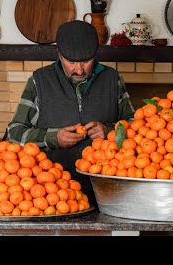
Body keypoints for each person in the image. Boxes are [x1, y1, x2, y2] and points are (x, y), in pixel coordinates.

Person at [7, 20, 135, 202]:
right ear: (59, 55)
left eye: (86, 61)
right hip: (51, 194)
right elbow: (14, 133)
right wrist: (53, 138)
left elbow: (135, 126)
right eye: (72, 62)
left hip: (107, 190)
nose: (79, 69)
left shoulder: (112, 79)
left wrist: (109, 130)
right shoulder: (40, 81)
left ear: (95, 55)